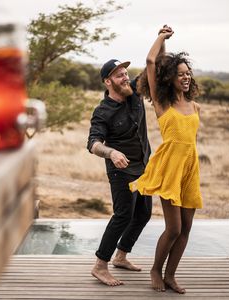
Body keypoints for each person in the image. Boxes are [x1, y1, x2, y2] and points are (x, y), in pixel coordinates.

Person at [130, 25, 203, 294]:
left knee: (186, 229)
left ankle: (171, 275)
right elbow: (152, 62)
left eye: (188, 73)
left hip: (189, 168)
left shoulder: (194, 105)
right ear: (169, 78)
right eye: (180, 74)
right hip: (169, 167)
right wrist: (162, 38)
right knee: (173, 228)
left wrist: (168, 52)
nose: (185, 77)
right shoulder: (163, 103)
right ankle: (155, 270)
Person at [87, 57, 154, 286]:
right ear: (108, 82)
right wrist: (111, 153)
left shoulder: (134, 91)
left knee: (143, 214)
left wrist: (161, 38)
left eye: (125, 73)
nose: (125, 77)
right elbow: (93, 143)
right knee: (123, 215)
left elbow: (153, 65)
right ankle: (99, 266)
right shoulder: (102, 111)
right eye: (119, 75)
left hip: (144, 167)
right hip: (121, 171)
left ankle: (121, 256)